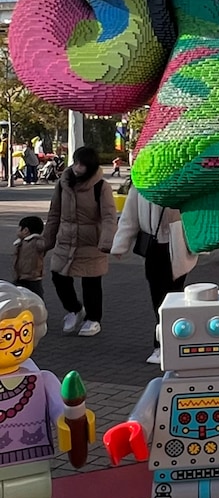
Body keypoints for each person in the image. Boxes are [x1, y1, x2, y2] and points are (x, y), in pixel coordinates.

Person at [110, 187, 197, 362]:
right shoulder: (141, 184)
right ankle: (166, 342)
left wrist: (200, 243)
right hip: (154, 247)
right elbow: (130, 216)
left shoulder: (182, 182)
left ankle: (166, 344)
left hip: (178, 246)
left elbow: (196, 213)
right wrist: (121, 244)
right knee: (158, 298)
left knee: (172, 297)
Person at [41, 146, 118, 337]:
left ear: (90, 166)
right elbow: (54, 214)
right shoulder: (63, 183)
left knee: (91, 282)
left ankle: (93, 319)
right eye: (75, 163)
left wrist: (107, 241)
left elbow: (109, 217)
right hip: (65, 240)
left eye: (82, 164)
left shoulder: (101, 187)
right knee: (58, 276)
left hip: (91, 242)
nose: (77, 167)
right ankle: (74, 309)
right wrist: (46, 241)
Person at [12, 216, 46, 297]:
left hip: (33, 279)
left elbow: (47, 244)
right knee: (17, 296)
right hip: (19, 277)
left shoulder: (36, 242)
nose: (17, 230)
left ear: (25, 230)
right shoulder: (20, 242)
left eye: (19, 228)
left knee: (36, 297)